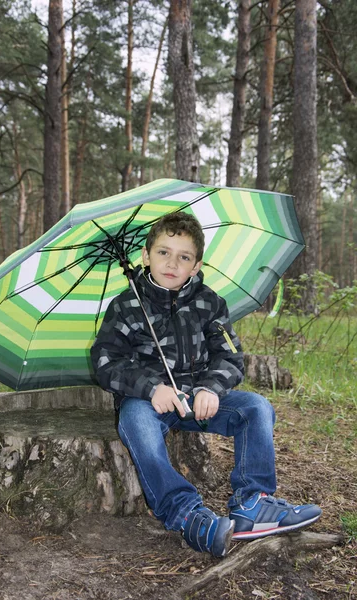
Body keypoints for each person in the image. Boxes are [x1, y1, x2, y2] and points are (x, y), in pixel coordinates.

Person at [91, 212, 321, 558]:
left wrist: (211, 388)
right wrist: (152, 388)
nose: (172, 263)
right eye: (163, 253)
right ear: (145, 255)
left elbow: (230, 357)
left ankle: (253, 503)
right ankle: (185, 512)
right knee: (134, 421)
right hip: (149, 403)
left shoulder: (210, 304)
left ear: (196, 265)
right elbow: (105, 361)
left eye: (184, 257)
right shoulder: (125, 307)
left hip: (200, 400)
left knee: (256, 407)